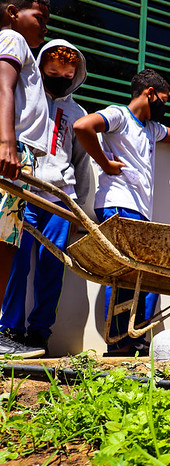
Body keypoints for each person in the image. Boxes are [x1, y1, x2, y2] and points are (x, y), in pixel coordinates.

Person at [73, 68, 170, 355]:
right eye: (163, 101)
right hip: (118, 204)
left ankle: (136, 340)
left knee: (144, 276)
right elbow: (83, 126)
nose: (164, 107)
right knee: (124, 276)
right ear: (149, 93)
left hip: (139, 210)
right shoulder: (119, 116)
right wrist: (105, 164)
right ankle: (119, 342)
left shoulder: (149, 128)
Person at [0, 39, 90, 356]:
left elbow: (82, 165)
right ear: (40, 68)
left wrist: (81, 212)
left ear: (76, 75)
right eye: (52, 72)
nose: (60, 78)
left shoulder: (77, 111)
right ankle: (8, 329)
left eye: (67, 75)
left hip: (60, 202)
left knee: (52, 268)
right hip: (24, 192)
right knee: (17, 263)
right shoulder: (28, 100)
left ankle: (39, 334)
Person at [0, 0, 51, 357]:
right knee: (2, 240)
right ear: (13, 11)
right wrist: (7, 143)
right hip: (12, 148)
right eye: (41, 16)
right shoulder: (12, 39)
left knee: (6, 241)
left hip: (20, 151)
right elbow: (4, 87)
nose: (45, 25)